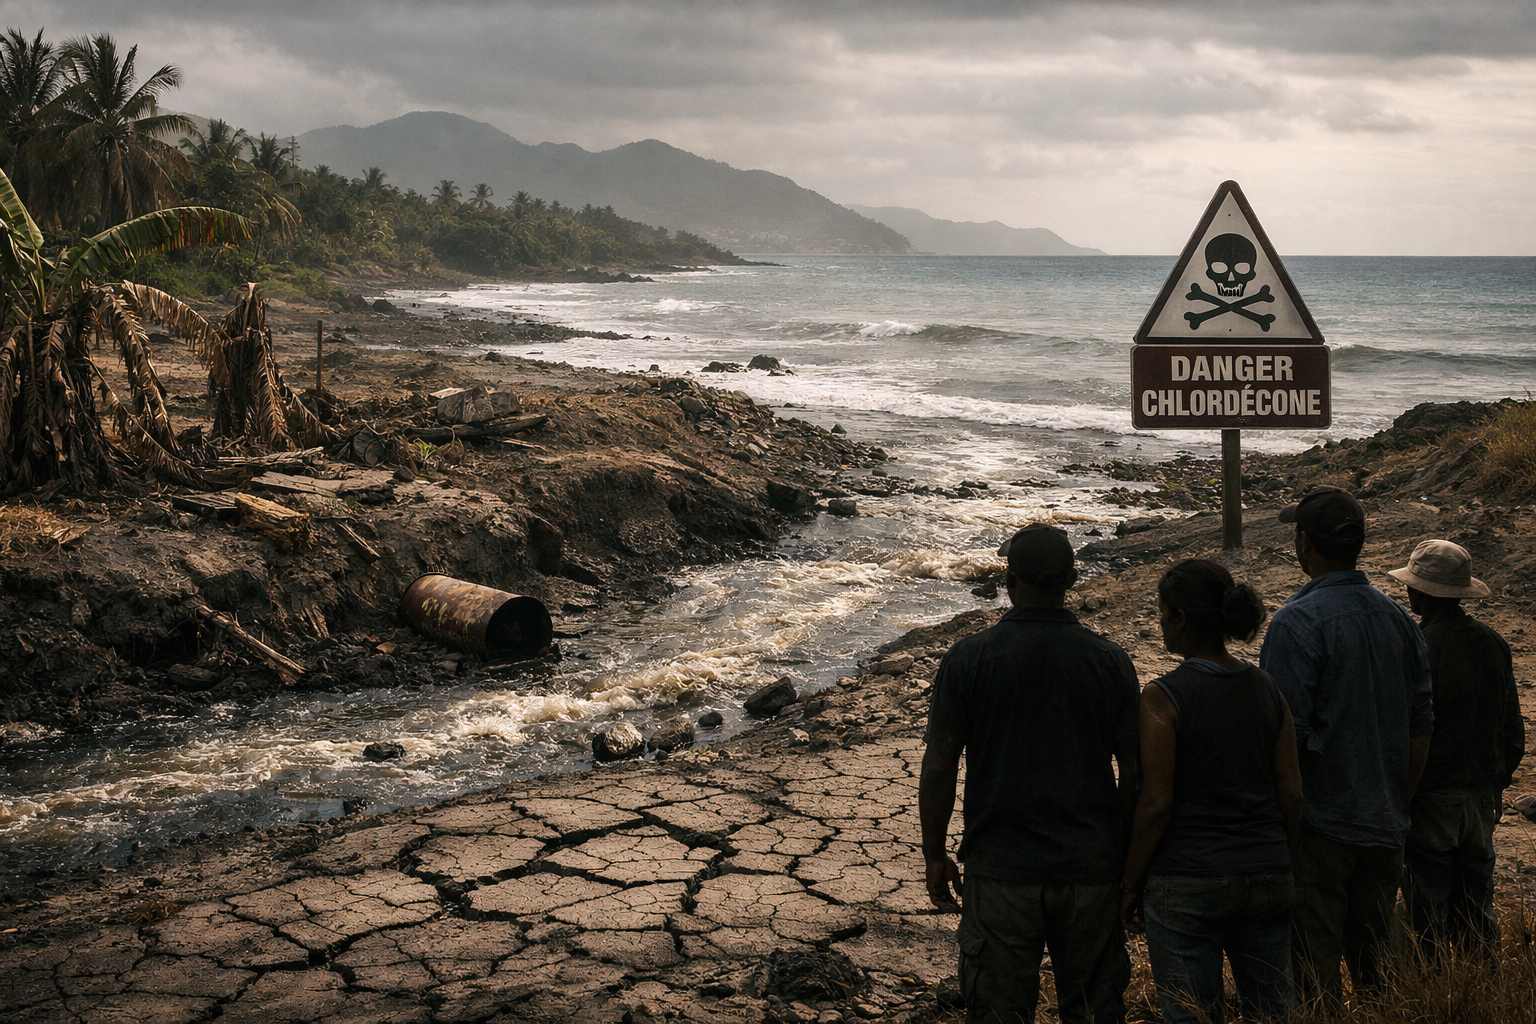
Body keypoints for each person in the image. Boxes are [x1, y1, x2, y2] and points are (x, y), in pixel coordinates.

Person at [920, 523, 1140, 1024]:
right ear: (1070, 581)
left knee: (998, 1010)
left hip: (1001, 869)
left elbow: (939, 765)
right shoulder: (1109, 662)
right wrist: (1129, 861)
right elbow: (1135, 773)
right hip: (1089, 868)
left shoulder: (969, 658)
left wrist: (935, 854)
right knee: (1093, 1010)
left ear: (1010, 581)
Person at [1259, 486, 1434, 1001]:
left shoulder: (1297, 622)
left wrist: (1288, 820)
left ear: (1304, 544)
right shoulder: (1399, 620)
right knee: (1377, 970)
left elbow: (1284, 733)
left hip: (1322, 823)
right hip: (1385, 818)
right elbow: (1421, 725)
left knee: (1313, 974)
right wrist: (1398, 798)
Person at [1121, 560, 1304, 1024]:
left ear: (1180, 618)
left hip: (1188, 880)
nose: (1161, 624)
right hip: (1265, 872)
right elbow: (1291, 792)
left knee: (1191, 1013)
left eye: (1163, 614)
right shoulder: (1266, 688)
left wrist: (1129, 884)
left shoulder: (1164, 697)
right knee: (1270, 1011)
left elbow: (1156, 803)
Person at [1388, 539, 1524, 959]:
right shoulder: (1491, 642)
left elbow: (1409, 729)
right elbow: (1511, 727)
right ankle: (1480, 985)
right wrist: (1495, 783)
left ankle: (1437, 989)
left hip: (1432, 795)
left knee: (1427, 908)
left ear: (1417, 592)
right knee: (1476, 908)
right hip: (1480, 795)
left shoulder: (1417, 647)